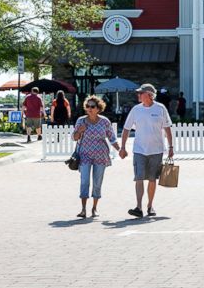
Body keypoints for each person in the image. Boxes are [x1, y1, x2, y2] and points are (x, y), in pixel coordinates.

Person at [119, 83, 174, 218]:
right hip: (139, 150)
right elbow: (126, 128)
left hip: (156, 150)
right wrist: (123, 147)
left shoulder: (160, 108)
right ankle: (138, 207)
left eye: (141, 93)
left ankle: (150, 205)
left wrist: (171, 146)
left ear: (149, 95)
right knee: (139, 178)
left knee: (152, 179)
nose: (138, 95)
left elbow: (167, 128)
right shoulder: (136, 110)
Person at [71, 95, 120, 218]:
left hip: (101, 155)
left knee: (97, 182)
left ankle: (94, 208)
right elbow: (74, 138)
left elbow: (112, 137)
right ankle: (83, 209)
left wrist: (120, 149)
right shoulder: (81, 121)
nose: (89, 109)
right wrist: (79, 131)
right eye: (87, 106)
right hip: (84, 155)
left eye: (92, 106)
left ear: (98, 108)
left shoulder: (104, 121)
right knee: (85, 181)